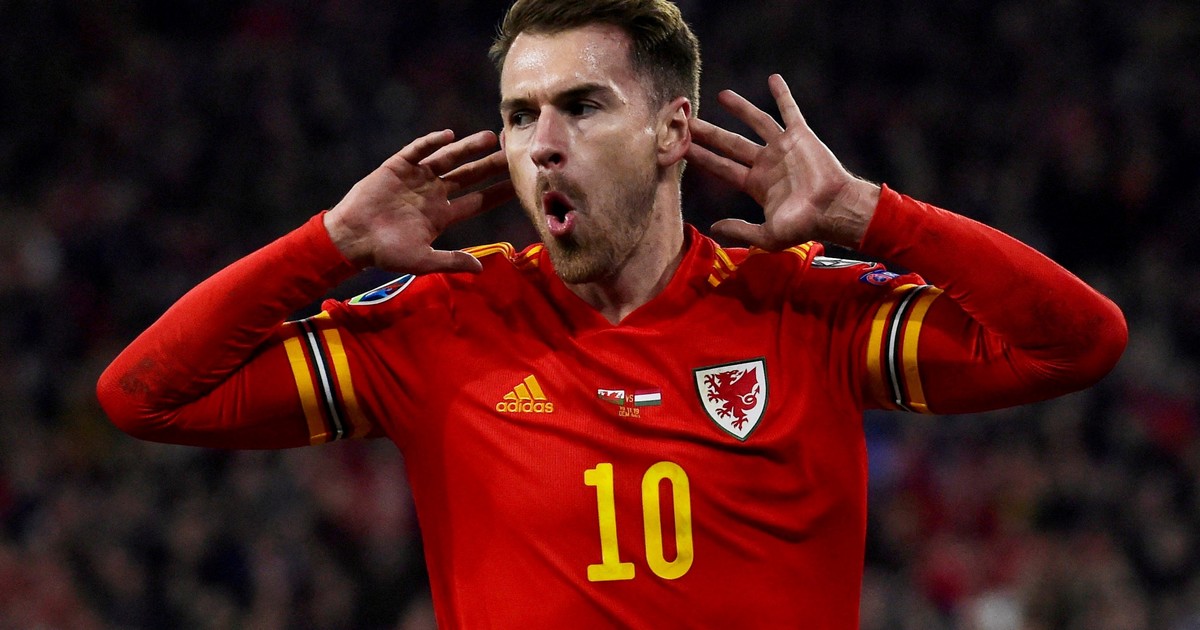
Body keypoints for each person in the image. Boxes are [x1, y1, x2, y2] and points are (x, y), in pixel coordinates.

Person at [97, 0, 1127, 627]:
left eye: (582, 106)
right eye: (519, 115)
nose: (541, 143)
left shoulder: (800, 310)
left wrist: (872, 215)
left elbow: (1079, 343)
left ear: (672, 131)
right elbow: (147, 399)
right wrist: (327, 244)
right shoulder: (440, 323)